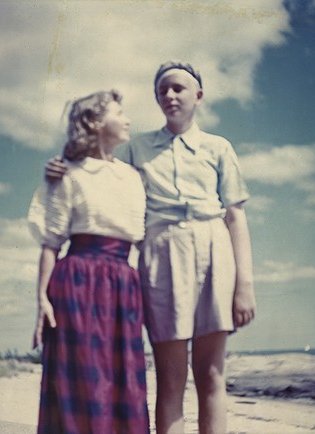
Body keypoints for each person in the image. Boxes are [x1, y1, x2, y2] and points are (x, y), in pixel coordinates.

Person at [45, 61, 257, 434]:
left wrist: (245, 285)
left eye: (179, 88)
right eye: (163, 90)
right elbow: (99, 165)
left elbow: (235, 217)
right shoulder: (138, 148)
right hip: (161, 253)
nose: (171, 95)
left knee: (211, 374)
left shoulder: (219, 148)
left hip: (215, 250)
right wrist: (62, 166)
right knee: (171, 378)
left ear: (199, 96)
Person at [28, 90, 149, 434]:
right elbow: (51, 243)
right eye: (119, 112)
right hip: (77, 282)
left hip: (123, 285)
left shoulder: (132, 177)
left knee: (122, 378)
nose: (127, 119)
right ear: (96, 122)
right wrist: (42, 300)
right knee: (78, 378)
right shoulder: (68, 174)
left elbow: (140, 238)